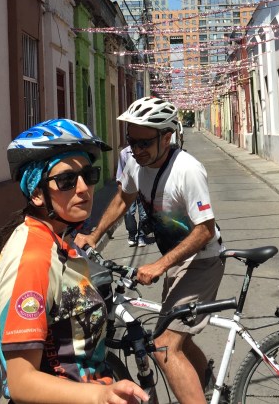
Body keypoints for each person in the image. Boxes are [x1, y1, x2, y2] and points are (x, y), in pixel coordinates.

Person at [0, 118, 148, 404]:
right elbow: (21, 383)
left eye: (88, 175)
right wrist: (99, 394)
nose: (83, 188)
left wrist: (33, 340)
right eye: (67, 180)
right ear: (36, 192)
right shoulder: (33, 255)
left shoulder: (34, 236)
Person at [77, 97, 223, 404]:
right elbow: (122, 198)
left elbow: (205, 230)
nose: (137, 149)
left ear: (167, 137)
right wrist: (93, 235)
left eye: (145, 142)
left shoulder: (188, 170)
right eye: (132, 140)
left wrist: (158, 265)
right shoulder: (133, 160)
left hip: (202, 259)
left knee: (164, 345)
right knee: (175, 335)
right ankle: (206, 383)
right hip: (176, 261)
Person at [117, 145, 147, 248]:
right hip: (129, 189)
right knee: (129, 213)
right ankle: (132, 234)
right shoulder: (124, 153)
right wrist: (120, 193)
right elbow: (120, 174)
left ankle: (141, 236)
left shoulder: (146, 151)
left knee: (144, 215)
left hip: (143, 188)